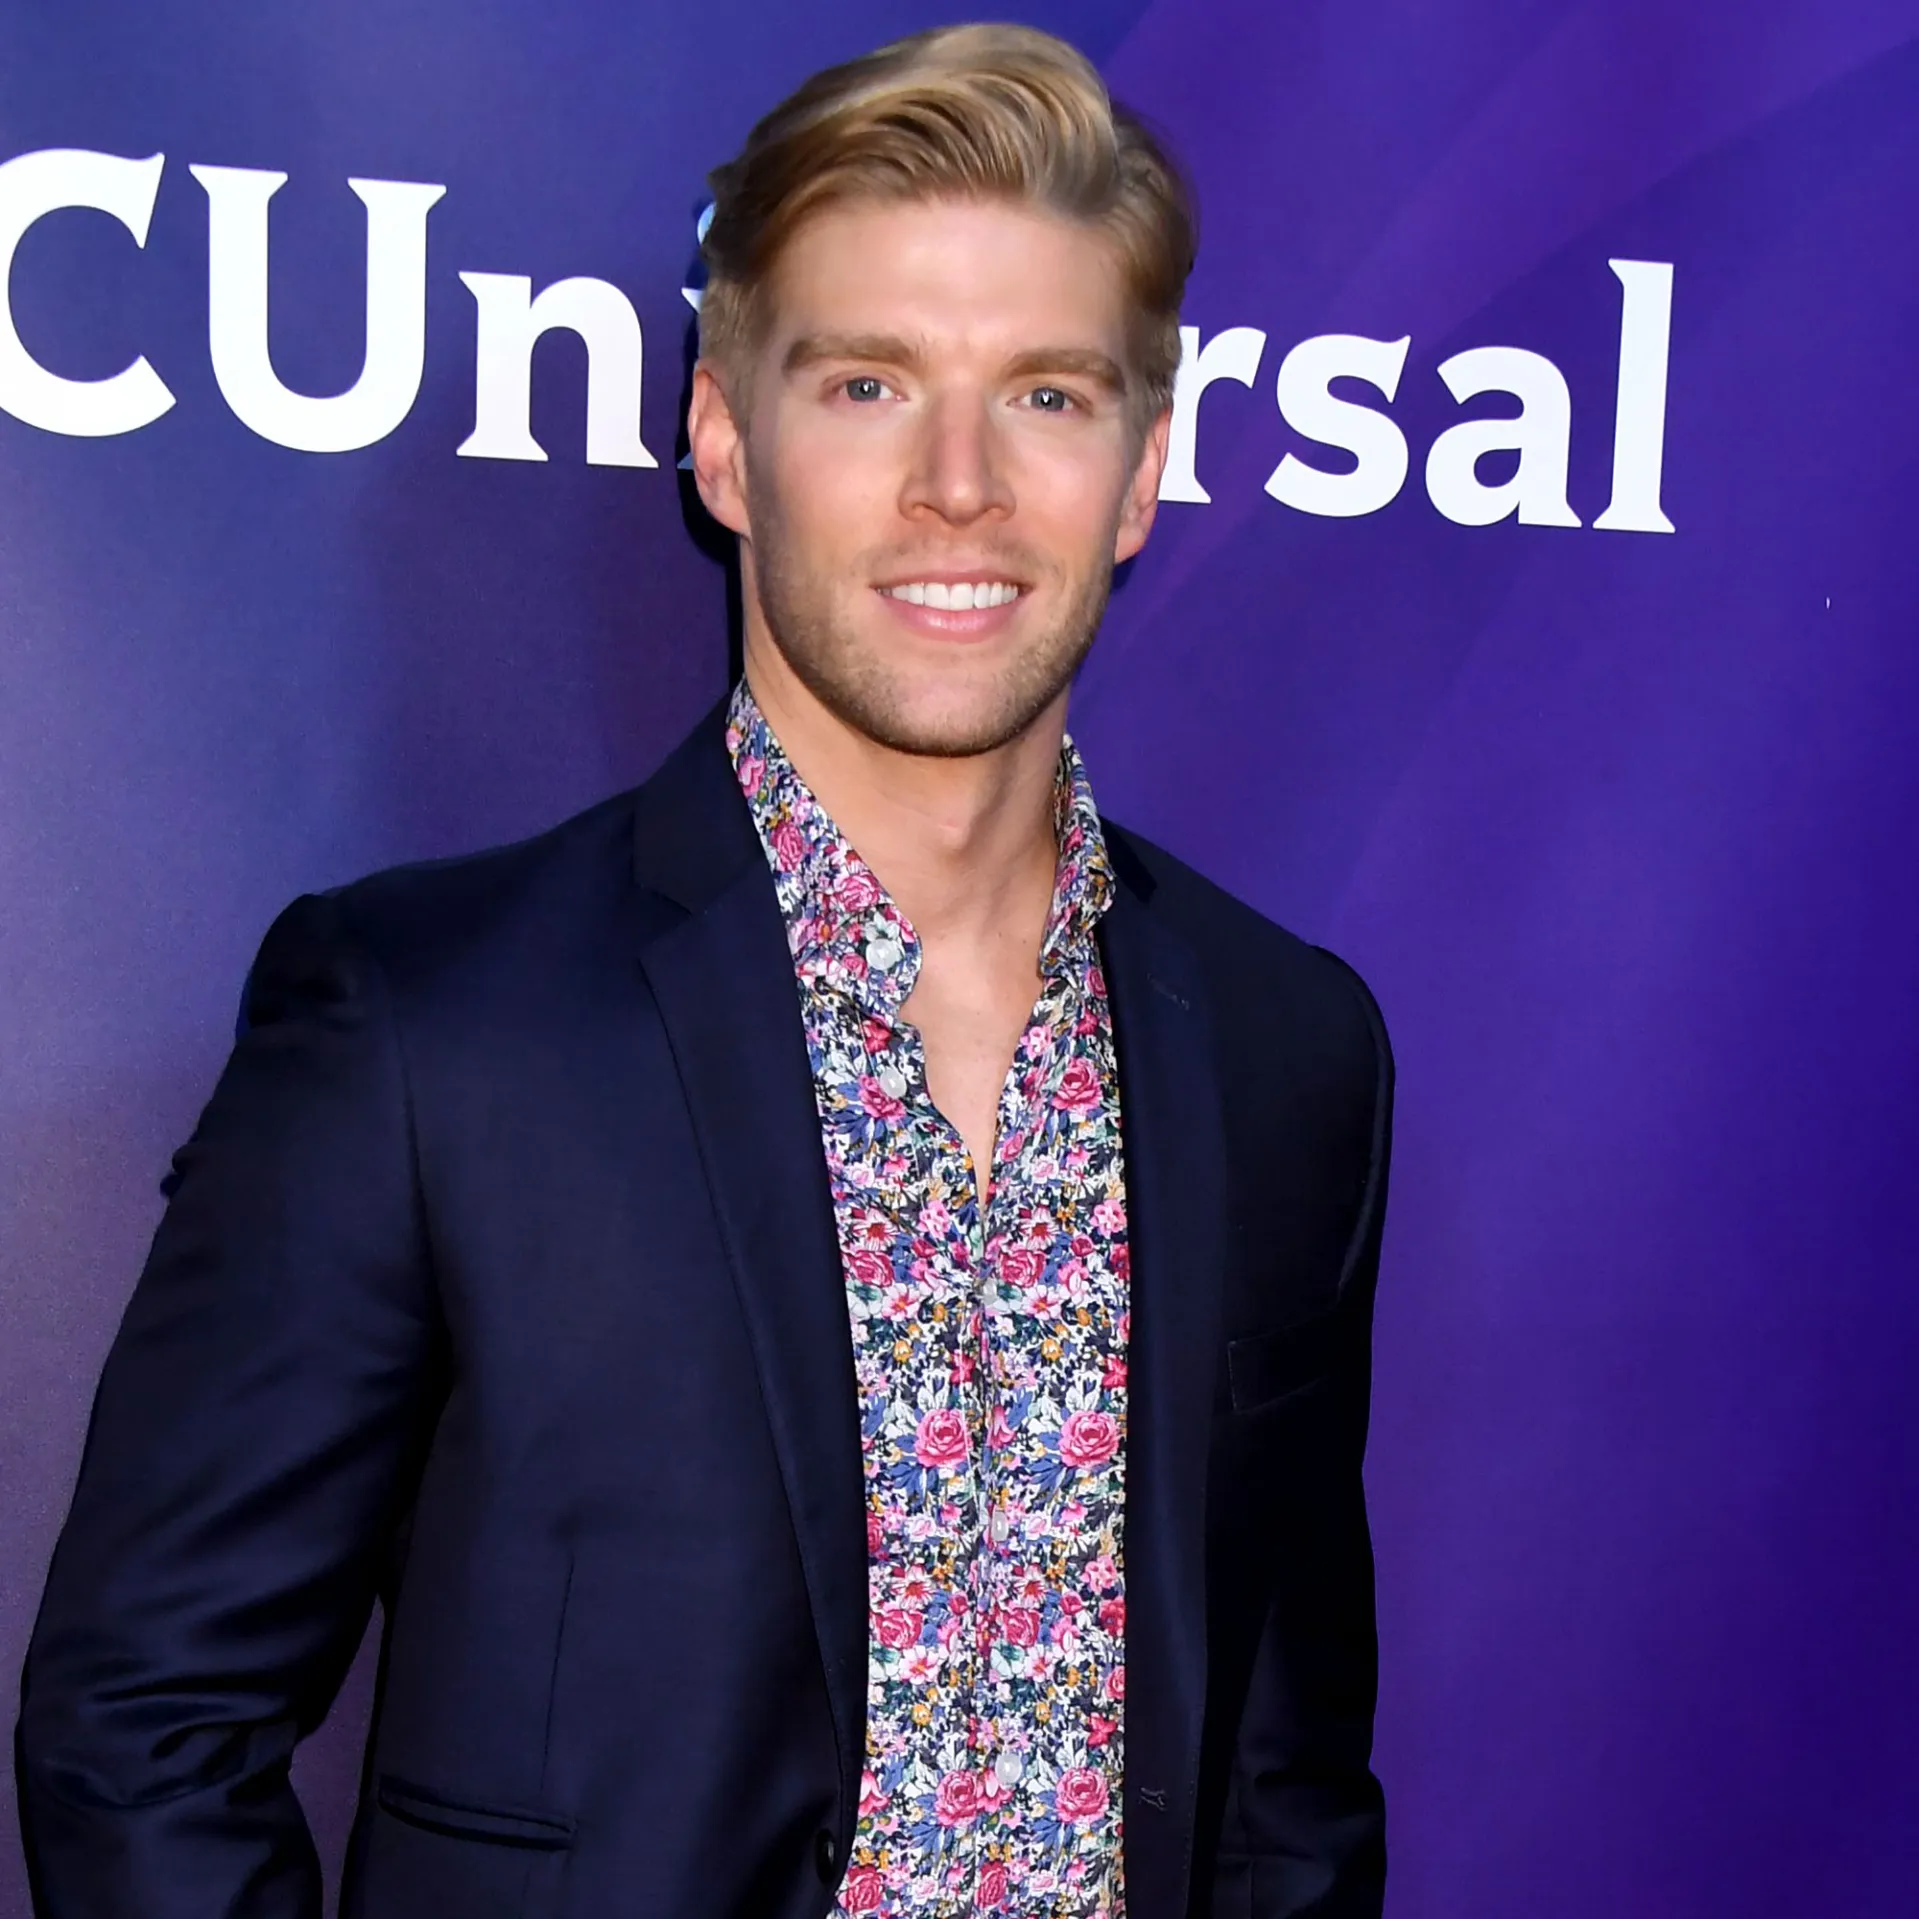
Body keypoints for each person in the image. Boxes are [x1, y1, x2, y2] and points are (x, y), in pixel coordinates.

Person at [14, 23, 1392, 1919]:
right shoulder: (427, 1024)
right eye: (867, 384)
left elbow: (1283, 1775)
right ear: (727, 443)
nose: (961, 484)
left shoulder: (1284, 1045)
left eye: (1047, 395)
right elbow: (147, 1725)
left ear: (1141, 473)